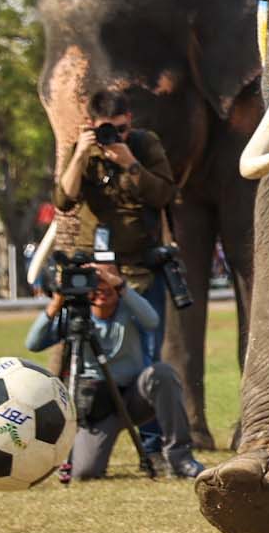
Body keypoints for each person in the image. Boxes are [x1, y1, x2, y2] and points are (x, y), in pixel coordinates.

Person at [25, 262, 204, 479]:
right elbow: (33, 343)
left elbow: (152, 320)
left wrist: (120, 287)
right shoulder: (74, 315)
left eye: (107, 275)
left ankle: (180, 459)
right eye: (94, 278)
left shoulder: (129, 307)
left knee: (161, 373)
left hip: (134, 398)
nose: (102, 284)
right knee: (85, 472)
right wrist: (58, 301)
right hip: (99, 408)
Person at [55, 89, 178, 365]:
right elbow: (64, 200)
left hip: (139, 269)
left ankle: (142, 406)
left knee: (147, 356)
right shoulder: (83, 149)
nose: (116, 136)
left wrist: (131, 164)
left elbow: (164, 195)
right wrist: (79, 156)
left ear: (130, 121)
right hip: (93, 269)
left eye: (122, 129)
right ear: (91, 125)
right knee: (84, 356)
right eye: (107, 130)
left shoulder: (144, 145)